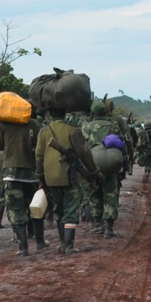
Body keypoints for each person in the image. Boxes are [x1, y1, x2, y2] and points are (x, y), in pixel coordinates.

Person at [35, 108, 100, 254]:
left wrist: (40, 176)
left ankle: (62, 243)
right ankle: (69, 246)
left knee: (58, 210)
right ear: (66, 114)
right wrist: (95, 171)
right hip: (69, 177)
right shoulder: (73, 130)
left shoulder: (43, 131)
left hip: (50, 178)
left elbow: (38, 156)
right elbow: (85, 153)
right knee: (70, 211)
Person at [0, 104, 41, 256]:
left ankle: (23, 248)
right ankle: (40, 243)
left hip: (11, 174)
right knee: (36, 208)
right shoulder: (34, 124)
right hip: (31, 173)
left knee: (16, 210)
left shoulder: (4, 124)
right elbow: (39, 147)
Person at [83, 100, 126, 238]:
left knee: (95, 194)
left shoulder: (87, 127)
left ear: (93, 112)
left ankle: (98, 226)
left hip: (94, 165)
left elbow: (83, 148)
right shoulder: (113, 125)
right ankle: (109, 229)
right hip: (111, 164)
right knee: (110, 195)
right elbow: (120, 144)